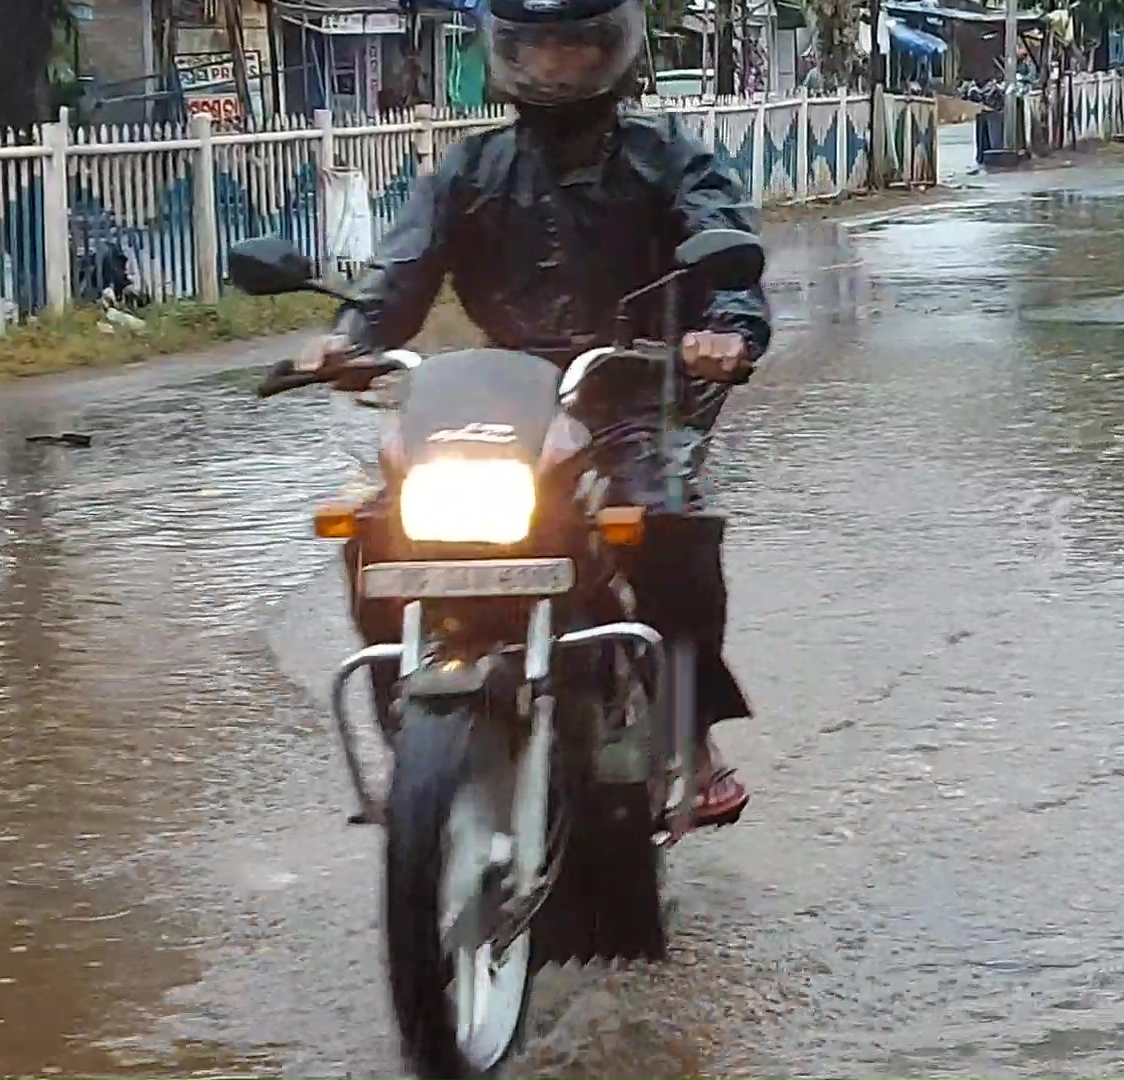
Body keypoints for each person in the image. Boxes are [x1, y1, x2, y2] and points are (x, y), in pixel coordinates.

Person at [297, 0, 770, 828]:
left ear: (613, 53)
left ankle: (689, 735)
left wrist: (725, 329)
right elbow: (401, 273)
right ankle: (411, 725)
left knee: (664, 530)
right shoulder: (468, 170)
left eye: (576, 46)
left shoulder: (671, 161)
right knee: (376, 524)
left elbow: (723, 245)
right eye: (538, 47)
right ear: (508, 54)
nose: (556, 67)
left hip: (631, 391)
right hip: (503, 395)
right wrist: (350, 338)